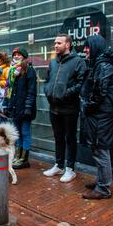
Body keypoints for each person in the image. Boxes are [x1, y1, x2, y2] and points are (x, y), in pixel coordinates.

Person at [80, 35, 113, 199]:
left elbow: (99, 94)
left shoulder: (103, 66)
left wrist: (86, 105)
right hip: (100, 115)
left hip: (101, 117)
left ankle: (103, 189)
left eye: (87, 47)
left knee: (100, 150)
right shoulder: (100, 64)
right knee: (98, 149)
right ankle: (101, 181)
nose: (84, 50)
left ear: (96, 47)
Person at [43, 34, 86, 182]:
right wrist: (48, 92)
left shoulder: (78, 62)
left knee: (70, 138)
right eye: (55, 43)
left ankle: (70, 169)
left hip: (69, 109)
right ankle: (59, 165)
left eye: (59, 43)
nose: (55, 45)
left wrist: (64, 94)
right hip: (54, 108)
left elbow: (81, 84)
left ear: (68, 45)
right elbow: (47, 80)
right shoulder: (53, 62)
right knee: (58, 137)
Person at [5, 47, 37, 169]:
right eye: (15, 54)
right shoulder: (12, 70)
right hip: (15, 108)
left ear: (24, 56)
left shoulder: (29, 70)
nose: (16, 56)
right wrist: (6, 104)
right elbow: (8, 90)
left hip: (25, 108)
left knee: (25, 132)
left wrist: (28, 107)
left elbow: (31, 91)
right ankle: (17, 156)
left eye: (19, 55)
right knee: (17, 134)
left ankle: (24, 159)